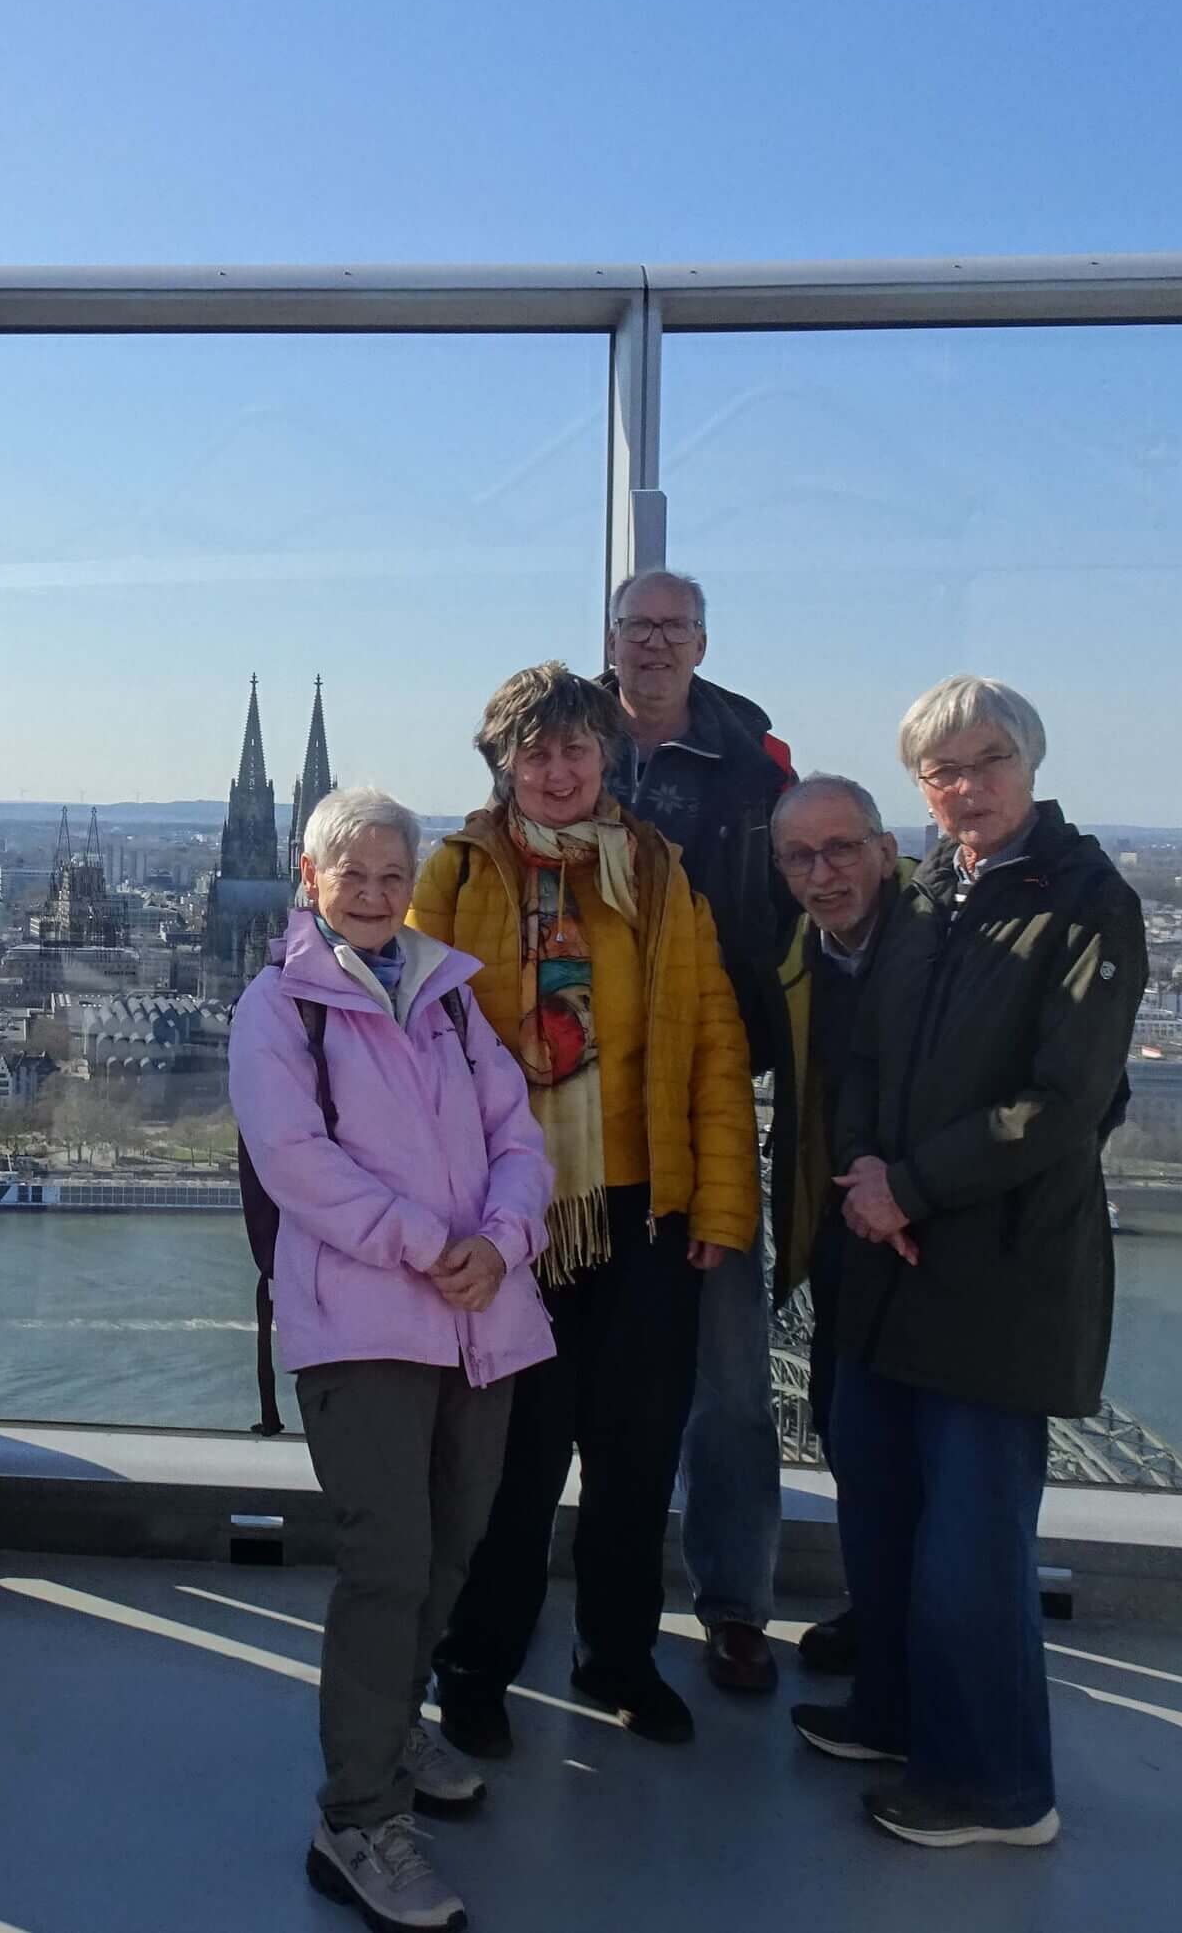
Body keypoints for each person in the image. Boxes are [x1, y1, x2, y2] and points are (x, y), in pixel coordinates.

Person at [790, 677, 1146, 1851]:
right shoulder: (932, 891)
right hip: (889, 1255)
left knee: (973, 1546)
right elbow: (865, 1053)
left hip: (997, 1270)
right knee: (886, 1511)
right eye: (941, 771)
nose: (966, 786)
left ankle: (995, 1787)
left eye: (987, 761)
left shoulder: (1088, 904)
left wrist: (911, 1187)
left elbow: (1066, 1103)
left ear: (1029, 763)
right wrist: (864, 1174)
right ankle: (897, 1716)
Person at [419, 662, 760, 1759]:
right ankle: (477, 1663)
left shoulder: (657, 871)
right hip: (512, 1215)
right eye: (537, 753)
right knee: (512, 1461)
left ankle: (618, 1658)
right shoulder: (457, 873)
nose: (559, 771)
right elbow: (411, 1051)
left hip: (642, 1209)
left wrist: (719, 1206)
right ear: (503, 764)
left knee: (637, 1452)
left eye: (576, 749)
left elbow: (712, 1041)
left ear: (606, 757)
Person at [235, 786, 554, 1933]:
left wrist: (504, 1241)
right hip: (365, 1325)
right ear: (309, 879)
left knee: (454, 1549)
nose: (374, 895)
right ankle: (357, 1818)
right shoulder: (279, 1007)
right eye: (351, 875)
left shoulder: (452, 996)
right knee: (389, 1566)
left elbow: (520, 1139)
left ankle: (390, 1731)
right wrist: (432, 1245)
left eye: (391, 875)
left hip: (482, 1318)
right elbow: (295, 1162)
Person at [601, 567, 797, 1696]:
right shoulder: (558, 740)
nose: (657, 643)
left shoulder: (755, 767)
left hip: (707, 1084)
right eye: (639, 625)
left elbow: (798, 911)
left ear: (704, 643)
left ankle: (733, 1604)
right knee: (560, 1369)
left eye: (675, 627)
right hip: (575, 1098)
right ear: (612, 640)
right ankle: (562, 1591)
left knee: (728, 1377)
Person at [761, 774, 912, 1681]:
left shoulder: (939, 941)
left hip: (924, 1225)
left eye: (842, 849)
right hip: (838, 1224)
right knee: (848, 1424)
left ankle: (916, 1651)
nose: (823, 873)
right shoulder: (799, 956)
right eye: (800, 858)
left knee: (919, 1445)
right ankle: (880, 1617)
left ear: (885, 851)